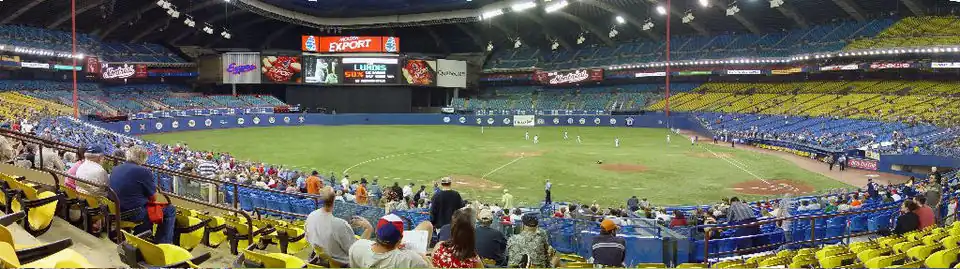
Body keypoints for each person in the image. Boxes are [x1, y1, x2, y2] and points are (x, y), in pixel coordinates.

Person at [109, 145, 177, 244]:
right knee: (170, 210)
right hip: (133, 213)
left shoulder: (116, 168)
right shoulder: (143, 171)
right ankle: (164, 244)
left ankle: (145, 236)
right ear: (143, 158)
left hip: (115, 209)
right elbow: (154, 197)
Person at [305, 187, 373, 267]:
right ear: (334, 200)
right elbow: (355, 252)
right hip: (342, 264)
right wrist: (368, 228)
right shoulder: (340, 224)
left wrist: (346, 228)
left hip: (320, 259)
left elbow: (308, 237)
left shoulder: (311, 215)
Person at [348, 214, 433, 268]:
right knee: (427, 225)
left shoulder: (356, 247)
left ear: (376, 232)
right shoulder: (413, 259)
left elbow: (361, 245)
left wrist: (369, 229)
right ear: (400, 240)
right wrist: (426, 259)